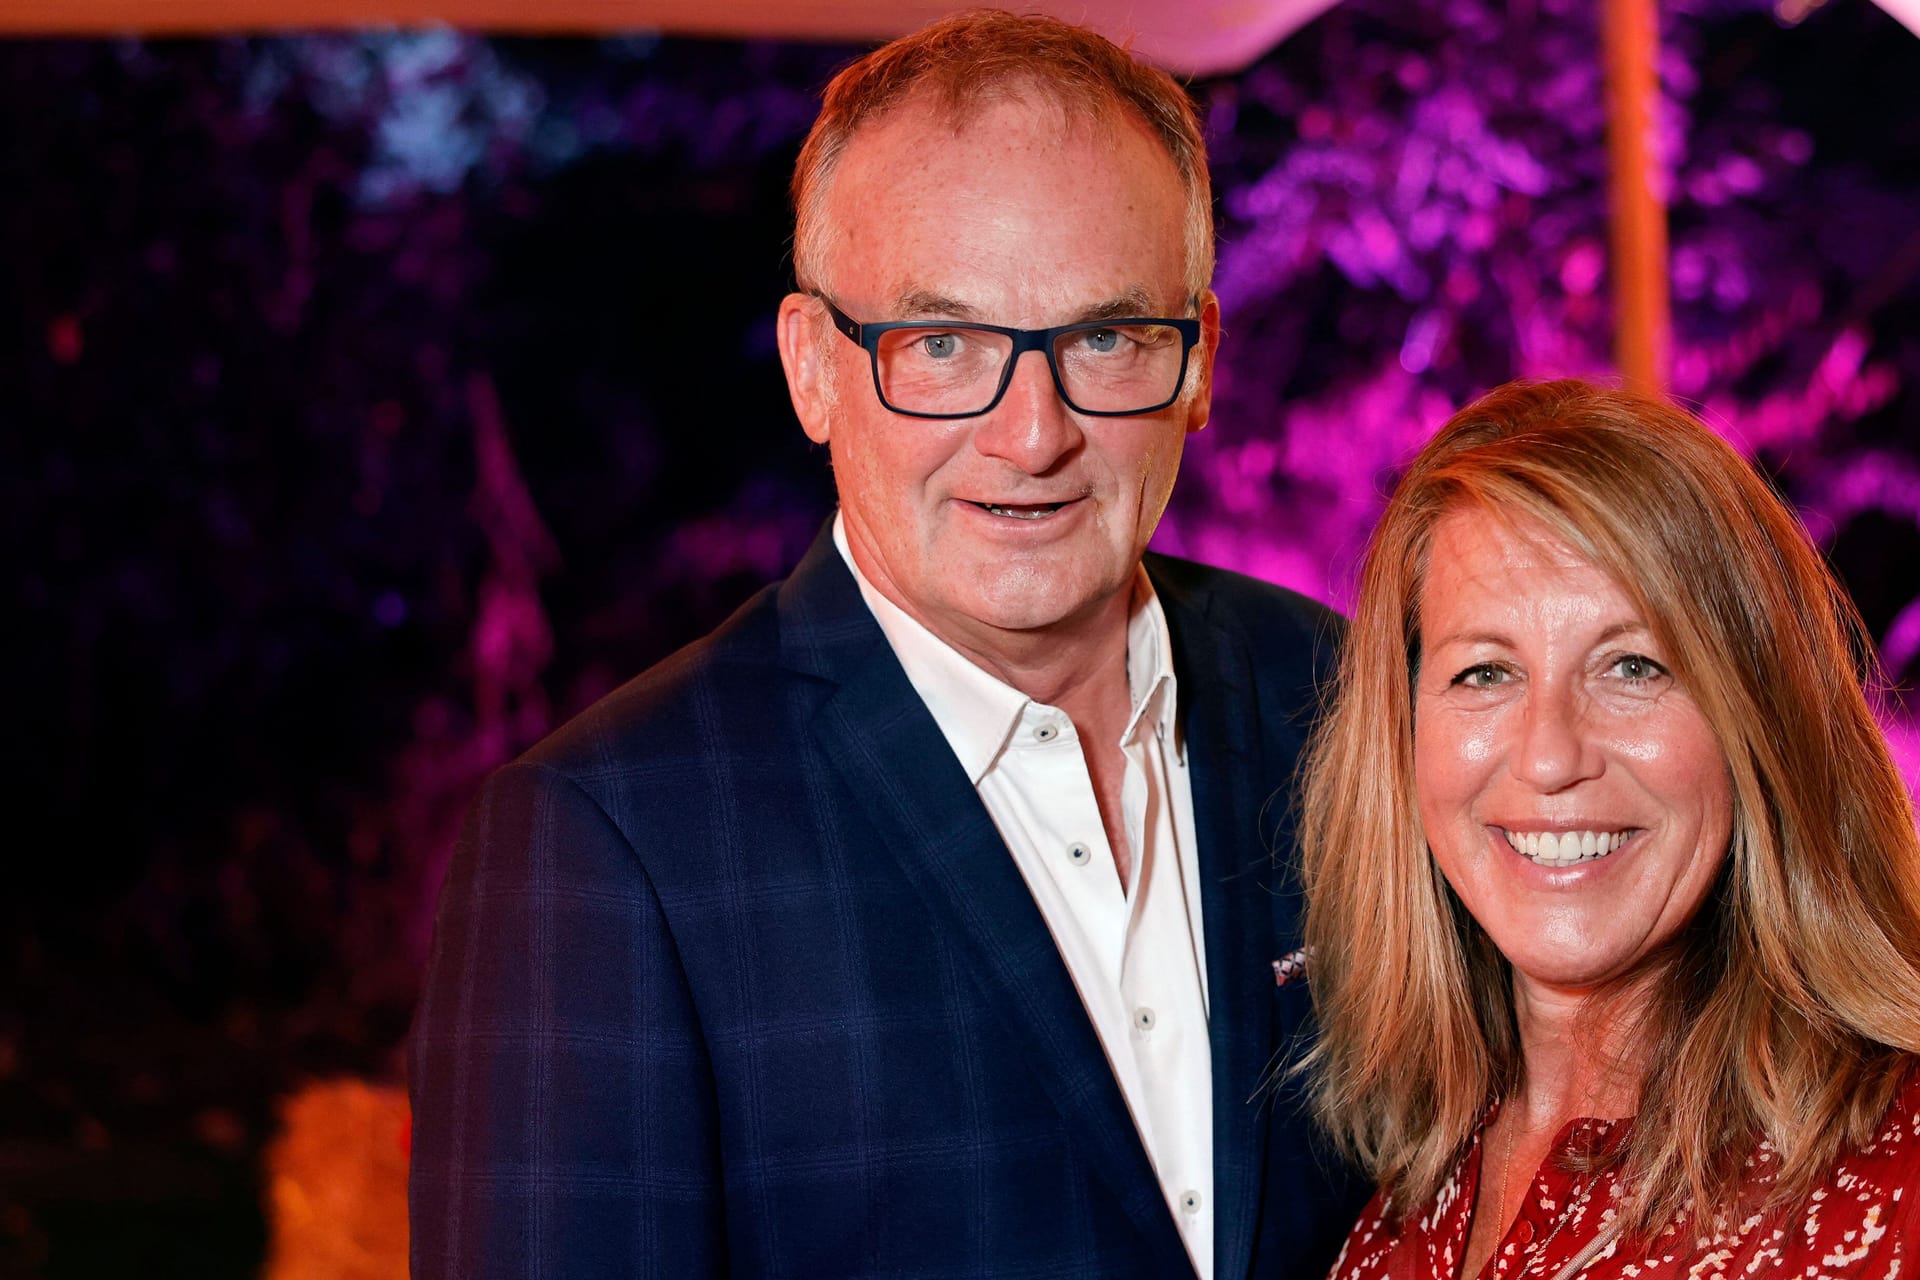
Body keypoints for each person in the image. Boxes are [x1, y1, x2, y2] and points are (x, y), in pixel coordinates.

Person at [408, 12, 1362, 1278]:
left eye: (1107, 338)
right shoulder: (610, 842)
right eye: (944, 344)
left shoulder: (1343, 702)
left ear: (1198, 360)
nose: (1033, 433)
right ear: (813, 367)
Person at [1297, 378, 1920, 1279]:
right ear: (1404, 734)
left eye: (1634, 665)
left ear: (1756, 716)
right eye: (1484, 673)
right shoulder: (1394, 1209)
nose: (1550, 757)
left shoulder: (1896, 1171)